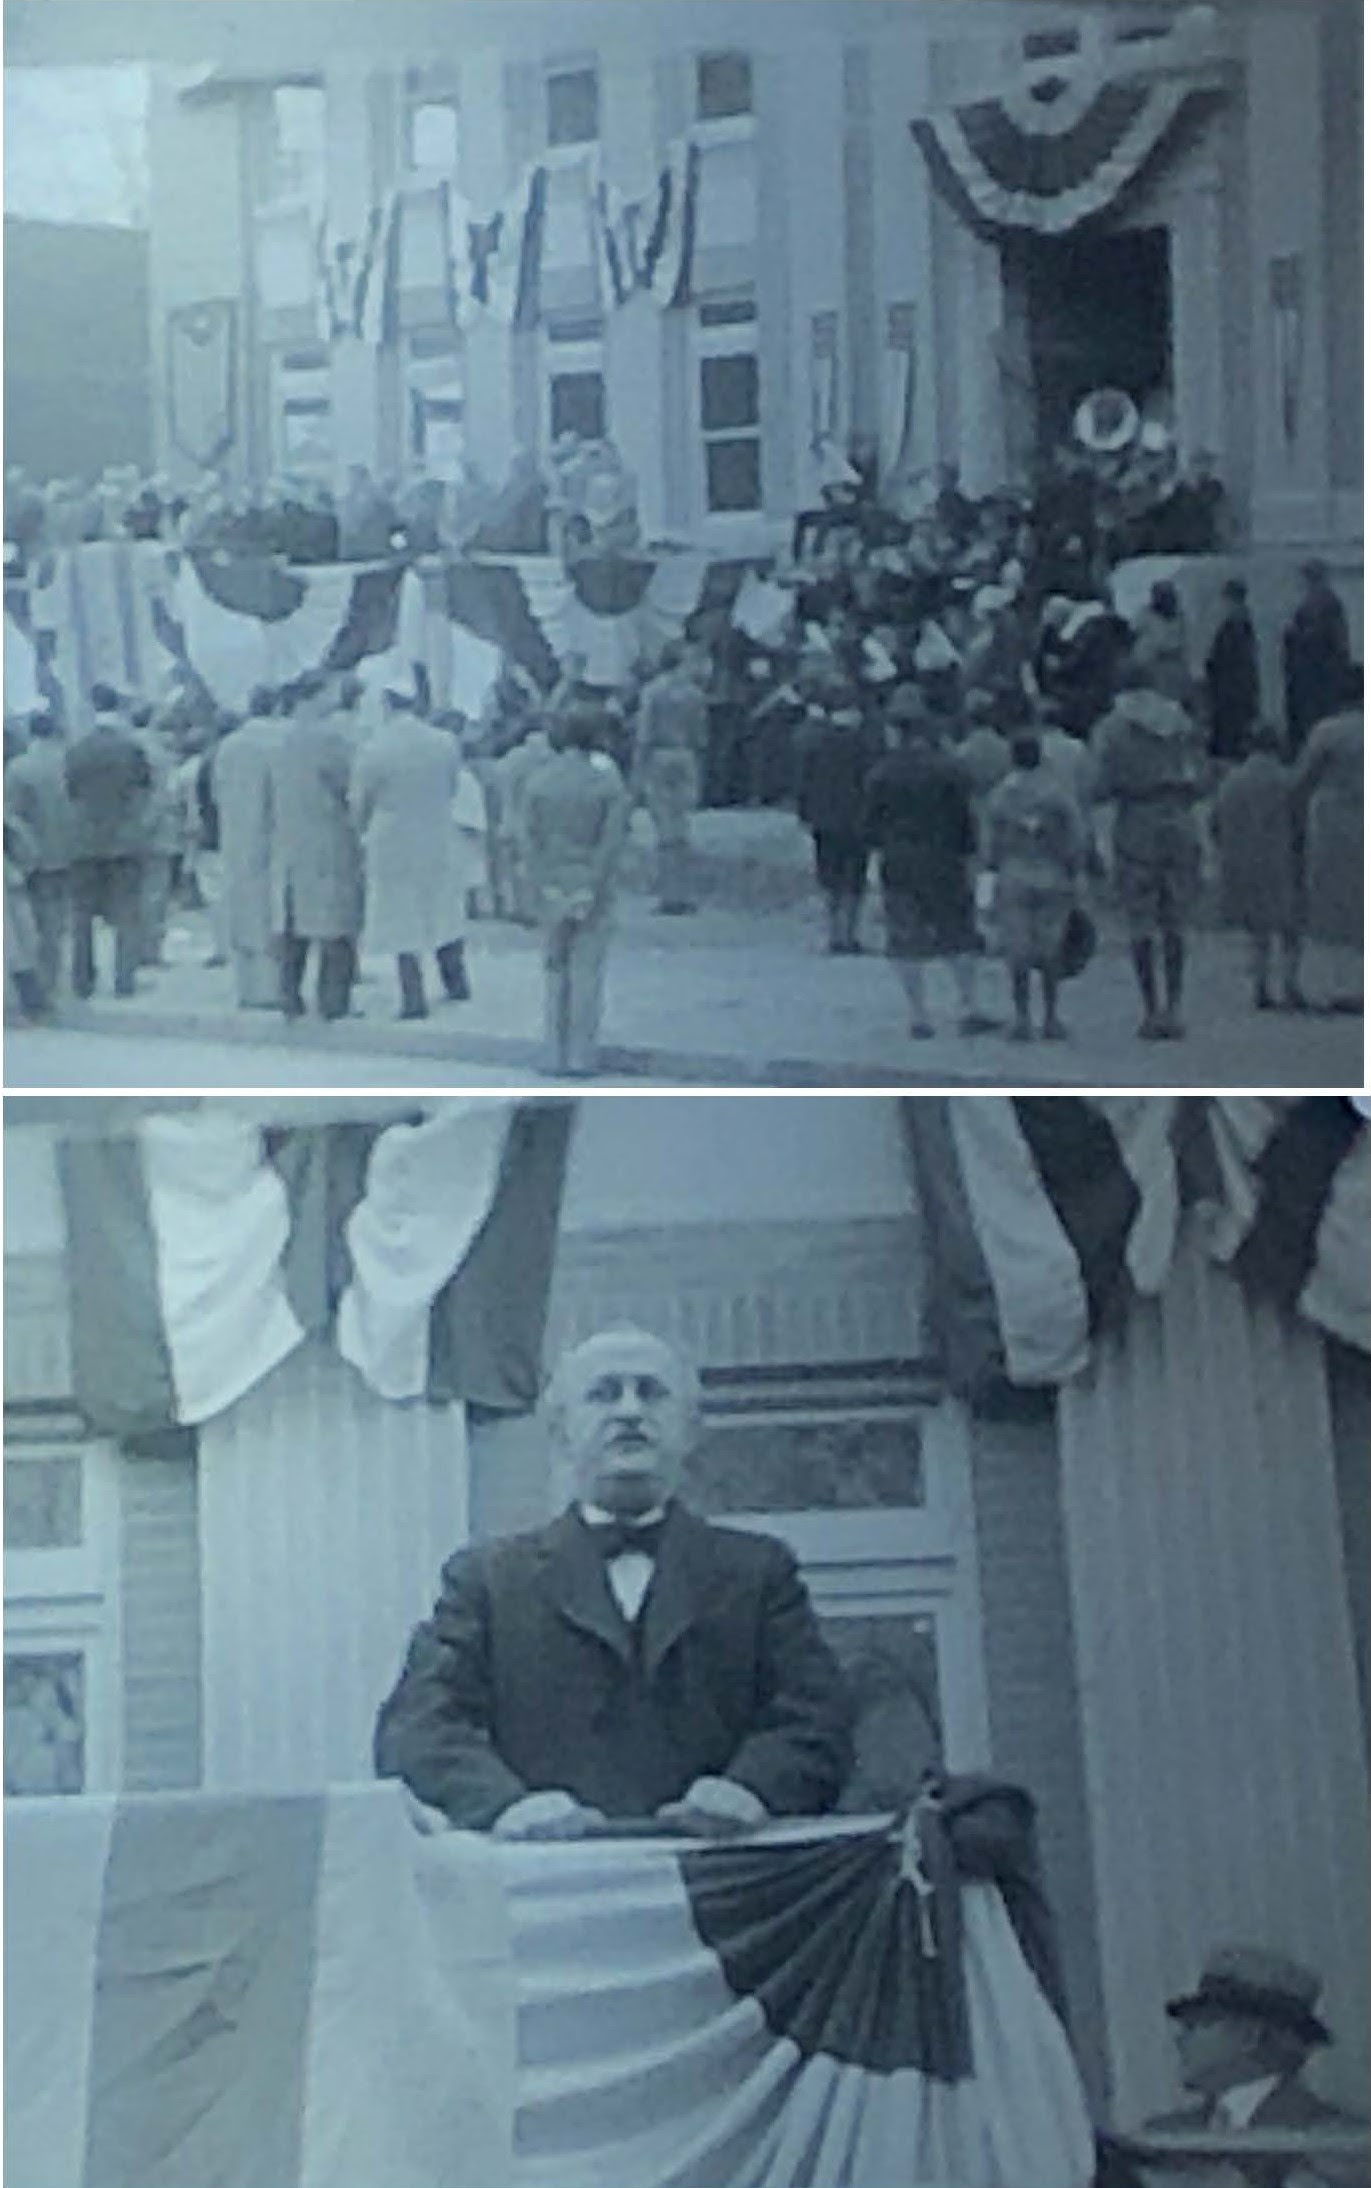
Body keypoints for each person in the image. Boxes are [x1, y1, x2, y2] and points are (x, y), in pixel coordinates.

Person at [374, 1326, 854, 1836]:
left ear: (691, 1429)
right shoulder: (488, 1581)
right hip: (546, 1888)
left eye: (651, 1392)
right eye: (604, 1394)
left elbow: (818, 1714)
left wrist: (753, 1788)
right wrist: (505, 1806)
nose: (629, 1411)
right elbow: (419, 1727)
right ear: (561, 1432)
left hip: (721, 1885)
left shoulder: (759, 1573)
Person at [1140, 1945, 1365, 2188]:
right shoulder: (1163, 2139)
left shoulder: (1337, 2146)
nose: (1180, 2040)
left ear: (1250, 2036)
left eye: (1198, 2025)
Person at [862, 686, 996, 1041]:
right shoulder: (951, 770)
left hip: (899, 860)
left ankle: (918, 1014)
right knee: (958, 933)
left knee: (905, 939)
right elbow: (966, 822)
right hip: (945, 859)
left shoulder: (881, 773)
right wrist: (972, 860)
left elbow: (871, 828)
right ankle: (967, 1006)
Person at [1093, 662, 1207, 1042]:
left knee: (1140, 922)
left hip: (1136, 824)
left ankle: (1151, 1008)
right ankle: (1175, 1007)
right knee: (1175, 921)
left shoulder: (1112, 728)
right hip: (1178, 820)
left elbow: (1101, 785)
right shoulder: (1181, 723)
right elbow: (1201, 778)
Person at [519, 704, 631, 1078]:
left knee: (554, 968)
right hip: (589, 881)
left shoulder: (539, 781)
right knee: (587, 970)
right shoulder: (607, 784)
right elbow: (611, 843)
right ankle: (582, 1054)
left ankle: (553, 1050)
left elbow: (528, 840)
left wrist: (540, 884)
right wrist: (592, 886)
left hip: (551, 879)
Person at [349, 690, 472, 1020]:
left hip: (393, 838)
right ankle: (456, 981)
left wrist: (361, 831)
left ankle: (413, 995)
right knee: (443, 906)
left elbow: (360, 802)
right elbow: (451, 787)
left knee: (400, 916)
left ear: (386, 705)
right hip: (437, 831)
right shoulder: (444, 742)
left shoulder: (375, 749)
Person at [265, 672, 364, 1022]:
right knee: (337, 926)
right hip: (330, 840)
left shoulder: (281, 739)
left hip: (290, 841)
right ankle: (334, 1002)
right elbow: (351, 788)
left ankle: (289, 997)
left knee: (293, 925)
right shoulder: (332, 740)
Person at [981, 732, 1086, 1043]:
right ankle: (1051, 1016)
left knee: (1017, 949)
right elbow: (1076, 836)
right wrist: (1074, 869)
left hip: (1014, 873)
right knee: (1051, 947)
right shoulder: (1058, 793)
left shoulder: (1000, 795)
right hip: (1052, 873)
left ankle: (1022, 1017)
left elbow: (989, 847)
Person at [63, 684, 153, 1000]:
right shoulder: (130, 749)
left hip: (84, 841)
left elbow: (70, 792)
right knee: (127, 911)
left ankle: (82, 979)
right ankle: (124, 979)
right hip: (124, 839)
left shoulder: (76, 750)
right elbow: (145, 788)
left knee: (81, 915)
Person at [1212, 722, 1306, 1013]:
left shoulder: (1232, 781)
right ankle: (1290, 984)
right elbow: (1300, 820)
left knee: (1258, 929)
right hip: (1282, 856)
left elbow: (1214, 822)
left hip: (1243, 859)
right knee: (1291, 926)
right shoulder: (1289, 780)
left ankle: (1261, 986)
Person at [1290, 666, 1363, 1012]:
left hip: (1334, 819)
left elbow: (1302, 779)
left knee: (1330, 903)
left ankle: (1335, 985)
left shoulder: (1328, 731)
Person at [793, 678, 883, 956]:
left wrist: (804, 813)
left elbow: (803, 781)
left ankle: (834, 932)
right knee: (854, 879)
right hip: (857, 819)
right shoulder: (866, 744)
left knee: (829, 877)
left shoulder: (816, 741)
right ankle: (850, 933)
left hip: (824, 820)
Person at [213, 687, 285, 1009]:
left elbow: (218, 793)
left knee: (242, 912)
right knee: (274, 913)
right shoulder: (282, 741)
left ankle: (248, 989)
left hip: (235, 837)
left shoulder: (229, 747)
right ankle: (276, 987)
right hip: (277, 837)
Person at [3, 711, 74, 1007]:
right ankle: (52, 978)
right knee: (56, 922)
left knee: (30, 924)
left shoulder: (19, 769)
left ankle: (41, 983)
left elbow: (11, 815)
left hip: (32, 856)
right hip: (69, 851)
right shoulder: (68, 761)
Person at [632, 645, 709, 915]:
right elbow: (701, 736)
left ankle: (667, 893)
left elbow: (644, 734)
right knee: (682, 828)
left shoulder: (652, 692)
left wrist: (636, 774)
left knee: (663, 829)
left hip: (659, 756)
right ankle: (683, 891)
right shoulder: (695, 694)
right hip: (686, 755)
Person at [1282, 563, 1350, 757]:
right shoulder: (1310, 608)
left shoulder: (1328, 606)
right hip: (1310, 680)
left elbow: (1335, 643)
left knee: (1317, 725)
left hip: (1319, 679)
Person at [1204, 580, 1261, 763]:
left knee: (1230, 734)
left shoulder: (1235, 625)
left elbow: (1227, 659)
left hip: (1231, 689)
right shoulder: (1243, 623)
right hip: (1238, 687)